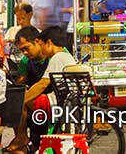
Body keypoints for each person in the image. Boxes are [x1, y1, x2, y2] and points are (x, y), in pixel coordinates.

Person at [11, 26, 77, 154]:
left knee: (20, 102)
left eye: (42, 44)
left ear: (49, 42)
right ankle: (25, 140)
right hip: (61, 101)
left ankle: (22, 138)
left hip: (55, 102)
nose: (42, 48)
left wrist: (21, 100)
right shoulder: (64, 56)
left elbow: (42, 84)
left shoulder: (57, 57)